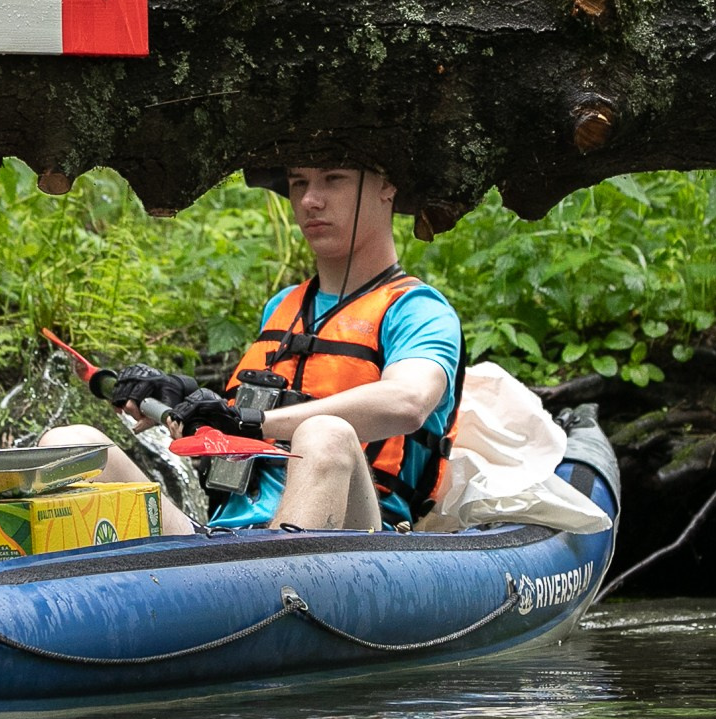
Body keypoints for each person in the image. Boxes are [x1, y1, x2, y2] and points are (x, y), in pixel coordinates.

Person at [40, 164, 461, 534]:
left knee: (324, 433)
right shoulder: (283, 307)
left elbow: (408, 402)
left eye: (334, 179)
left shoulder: (417, 309)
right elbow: (233, 430)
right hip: (225, 539)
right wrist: (182, 402)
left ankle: (276, 594)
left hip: (363, 538)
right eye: (299, 183)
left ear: (387, 186)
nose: (311, 200)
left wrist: (253, 422)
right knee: (70, 442)